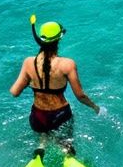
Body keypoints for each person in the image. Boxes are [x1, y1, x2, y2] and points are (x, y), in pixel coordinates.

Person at [10, 20, 100, 159]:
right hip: (60, 115)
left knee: (43, 135)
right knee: (66, 146)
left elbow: (14, 92)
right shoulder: (67, 64)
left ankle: (40, 149)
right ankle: (68, 158)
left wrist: (31, 81)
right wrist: (95, 107)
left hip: (38, 117)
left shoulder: (28, 62)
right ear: (59, 39)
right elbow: (80, 96)